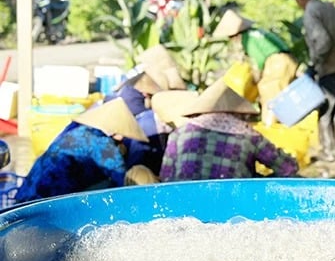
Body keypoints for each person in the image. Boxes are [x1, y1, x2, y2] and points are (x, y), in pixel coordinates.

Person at [15, 98, 158, 203]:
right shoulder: (102, 145)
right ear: (115, 131)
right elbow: (123, 181)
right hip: (48, 199)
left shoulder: (79, 131)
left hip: (26, 193)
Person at [159, 78, 299, 182]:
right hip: (233, 202)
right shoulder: (248, 135)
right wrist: (259, 182)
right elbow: (288, 168)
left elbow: (165, 177)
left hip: (184, 201)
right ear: (238, 113)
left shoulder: (180, 133)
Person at [290, 0, 335, 161]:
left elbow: (323, 41)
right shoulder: (328, 7)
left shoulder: (311, 12)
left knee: (325, 109)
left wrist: (314, 63)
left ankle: (328, 150)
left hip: (331, 66)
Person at [213, 9, 298, 125]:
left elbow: (259, 59)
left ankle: (270, 129)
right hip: (288, 60)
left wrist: (256, 77)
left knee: (270, 95)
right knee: (283, 95)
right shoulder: (256, 32)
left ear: (234, 36)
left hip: (277, 63)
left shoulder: (247, 38)